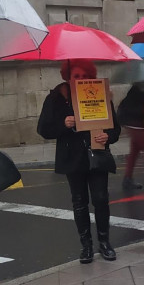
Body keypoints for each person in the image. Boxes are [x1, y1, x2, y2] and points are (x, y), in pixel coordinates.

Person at [37, 59, 121, 264]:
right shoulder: (56, 97)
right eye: (76, 76)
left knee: (101, 199)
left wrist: (107, 137)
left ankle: (104, 242)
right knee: (79, 202)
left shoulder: (100, 94)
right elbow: (44, 129)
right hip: (72, 158)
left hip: (97, 154)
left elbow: (115, 129)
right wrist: (63, 123)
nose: (81, 80)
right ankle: (86, 246)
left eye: (85, 76)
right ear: (67, 76)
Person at [118, 82, 144, 191]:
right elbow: (130, 108)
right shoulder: (136, 91)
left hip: (138, 125)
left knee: (134, 153)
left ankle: (127, 179)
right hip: (134, 125)